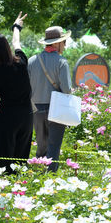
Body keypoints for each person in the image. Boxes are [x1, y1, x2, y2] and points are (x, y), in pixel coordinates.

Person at [0, 12, 33, 172]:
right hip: (27, 115)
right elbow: (16, 42)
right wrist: (16, 26)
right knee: (21, 157)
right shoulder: (21, 60)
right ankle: (21, 186)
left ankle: (5, 186)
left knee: (5, 156)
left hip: (8, 116)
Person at [28, 26, 72, 172]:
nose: (65, 45)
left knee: (41, 145)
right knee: (53, 147)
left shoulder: (32, 61)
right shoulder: (62, 62)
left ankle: (38, 174)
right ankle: (51, 178)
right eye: (63, 42)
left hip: (36, 108)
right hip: (56, 108)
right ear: (57, 43)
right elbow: (66, 90)